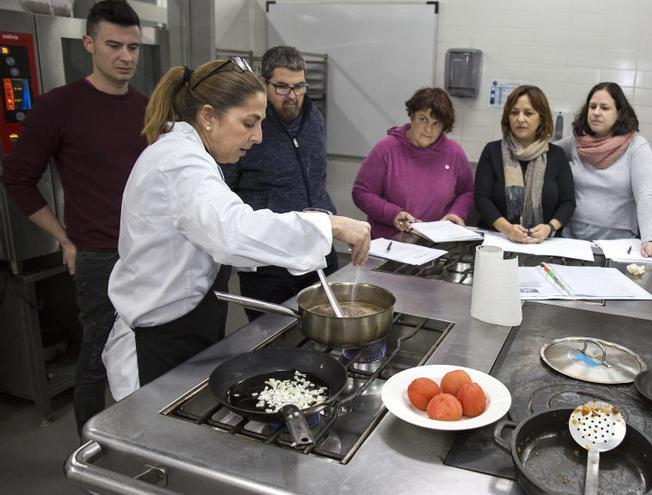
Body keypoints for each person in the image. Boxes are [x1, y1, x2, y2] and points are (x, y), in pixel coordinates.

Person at [102, 57, 370, 400]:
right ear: (208, 117)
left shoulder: (191, 154)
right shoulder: (180, 163)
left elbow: (214, 233)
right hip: (157, 340)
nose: (258, 137)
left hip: (189, 321)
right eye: (249, 123)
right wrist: (329, 225)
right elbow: (230, 231)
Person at [0, 0, 146, 435]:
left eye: (133, 48)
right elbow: (18, 179)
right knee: (97, 353)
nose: (125, 57)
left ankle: (141, 436)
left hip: (148, 250)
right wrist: (64, 240)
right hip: (98, 254)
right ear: (89, 44)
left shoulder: (147, 106)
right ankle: (92, 447)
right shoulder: (58, 106)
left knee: (145, 346)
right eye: (113, 45)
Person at [220, 46, 338, 321]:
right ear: (264, 83)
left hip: (318, 249)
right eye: (282, 87)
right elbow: (226, 190)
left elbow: (318, 177)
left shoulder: (314, 117)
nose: (293, 96)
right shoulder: (249, 126)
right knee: (271, 336)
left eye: (299, 87)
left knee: (324, 327)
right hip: (270, 260)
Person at [555, 82, 652, 257]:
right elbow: (547, 154)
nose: (596, 112)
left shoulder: (636, 146)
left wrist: (650, 239)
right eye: (592, 106)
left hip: (618, 245)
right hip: (572, 241)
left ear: (619, 113)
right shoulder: (576, 142)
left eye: (604, 108)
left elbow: (646, 195)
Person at [352, 87, 474, 239]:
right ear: (412, 116)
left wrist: (455, 214)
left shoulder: (454, 153)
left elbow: (467, 192)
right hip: (390, 243)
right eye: (423, 119)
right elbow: (361, 192)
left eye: (437, 124)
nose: (428, 130)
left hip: (435, 244)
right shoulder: (386, 148)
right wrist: (394, 214)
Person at [473, 85, 574, 243]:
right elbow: (481, 199)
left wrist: (549, 228)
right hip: (498, 241)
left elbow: (568, 203)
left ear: (541, 117)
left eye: (528, 113)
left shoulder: (557, 155)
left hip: (544, 244)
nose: (520, 119)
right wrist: (507, 229)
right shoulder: (492, 151)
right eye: (514, 113)